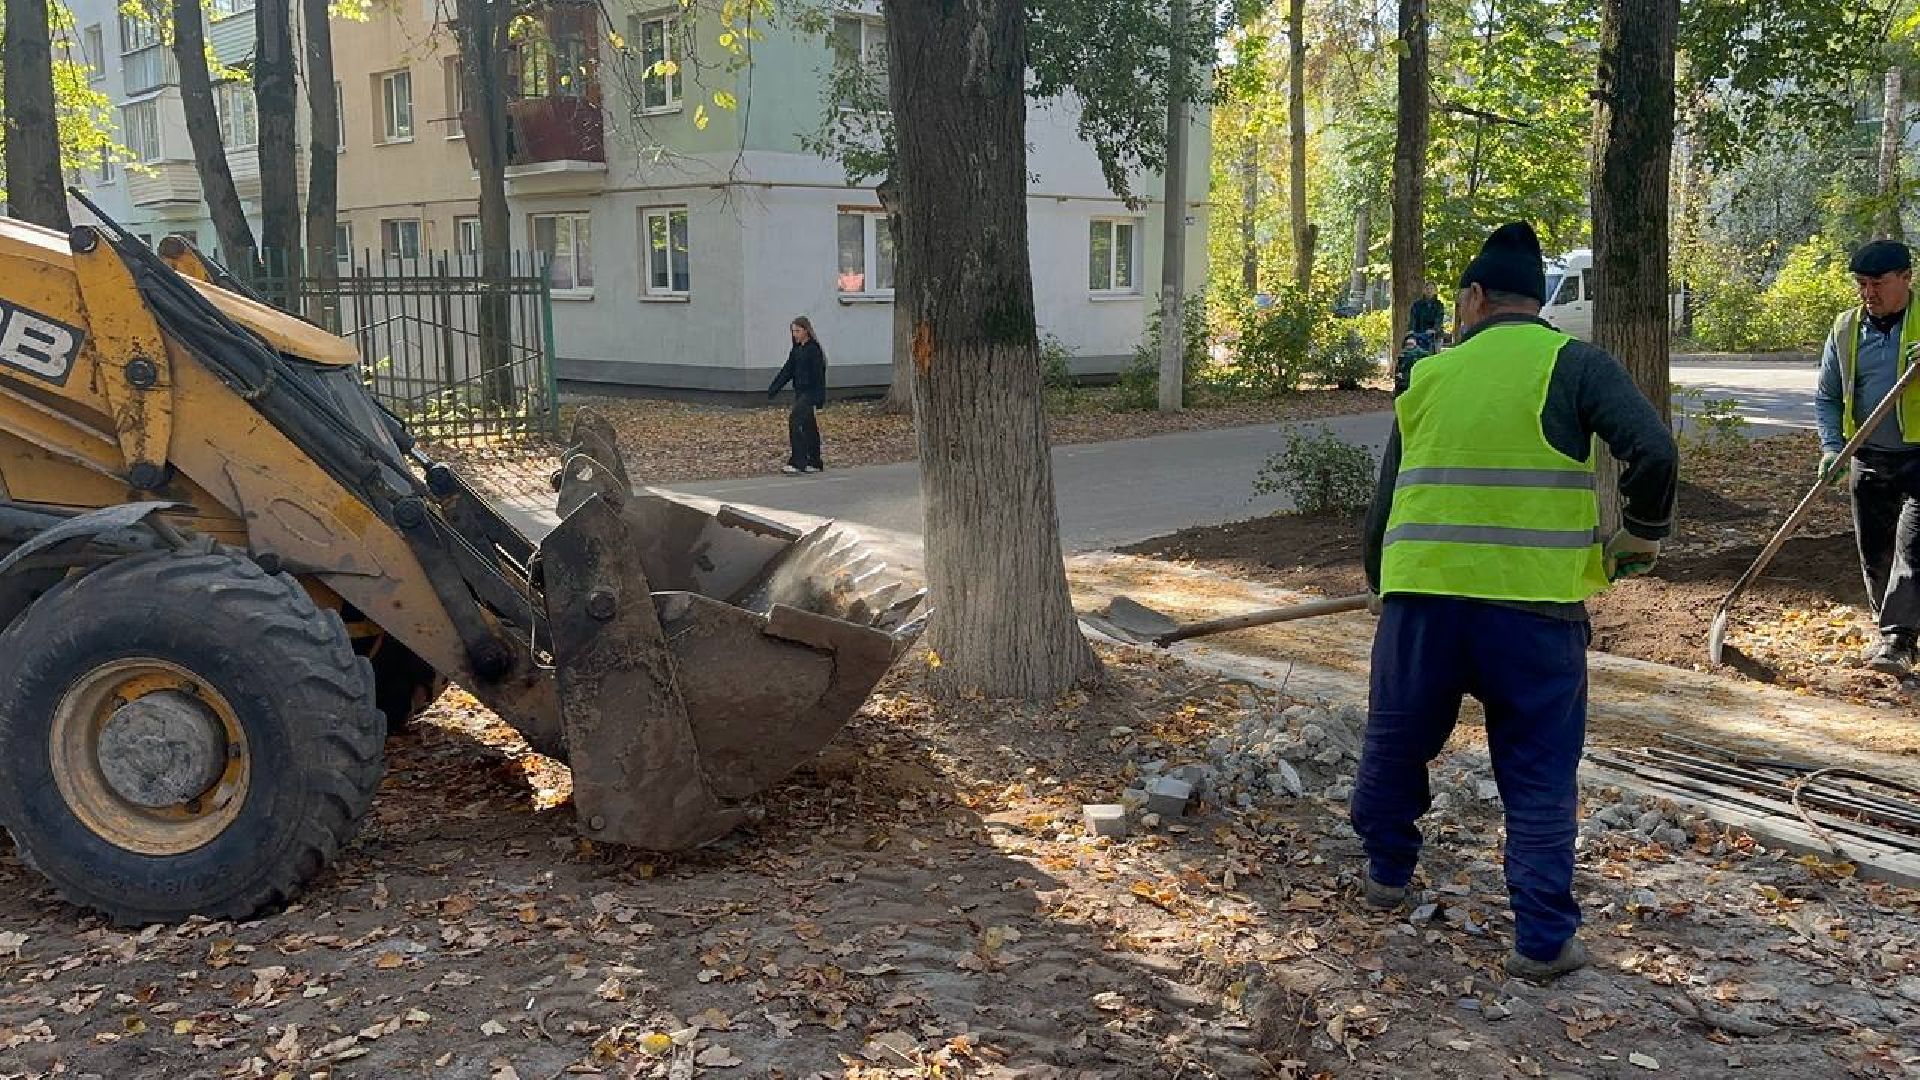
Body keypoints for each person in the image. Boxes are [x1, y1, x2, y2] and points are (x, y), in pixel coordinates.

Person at [1351, 222, 1678, 982]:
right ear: (1536, 302)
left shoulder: (1428, 376)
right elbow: (1654, 450)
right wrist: (1642, 537)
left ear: (1472, 299)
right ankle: (1540, 942)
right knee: (1536, 773)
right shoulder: (1576, 365)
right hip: (1534, 611)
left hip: (1423, 605)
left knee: (1396, 743)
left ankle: (1385, 876)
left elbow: (1388, 497)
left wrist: (1381, 584)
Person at [1813, 240, 1920, 675]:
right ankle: (1891, 627)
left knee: (1913, 549)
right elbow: (1826, 396)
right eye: (1861, 284)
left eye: (1878, 283)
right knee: (1875, 556)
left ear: (1907, 279)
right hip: (1868, 456)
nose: (1868, 293)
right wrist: (1831, 446)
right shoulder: (1846, 328)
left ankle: (1897, 641)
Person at [768, 316, 827, 475]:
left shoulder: (813, 349)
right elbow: (788, 370)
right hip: (800, 391)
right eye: (793, 331)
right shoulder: (796, 350)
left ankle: (798, 462)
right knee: (809, 427)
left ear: (806, 331)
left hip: (810, 392)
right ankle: (814, 461)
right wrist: (774, 388)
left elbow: (819, 375)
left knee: (795, 420)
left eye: (798, 331)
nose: (795, 334)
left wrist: (820, 398)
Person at [1409, 281, 1447, 351]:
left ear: (1435, 291)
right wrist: (1411, 330)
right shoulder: (1417, 305)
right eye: (1427, 289)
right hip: (1420, 334)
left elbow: (1439, 318)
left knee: (1435, 355)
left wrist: (1434, 329)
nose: (1429, 291)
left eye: (1431, 289)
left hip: (1436, 335)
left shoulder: (1439, 305)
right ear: (1424, 290)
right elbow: (1413, 318)